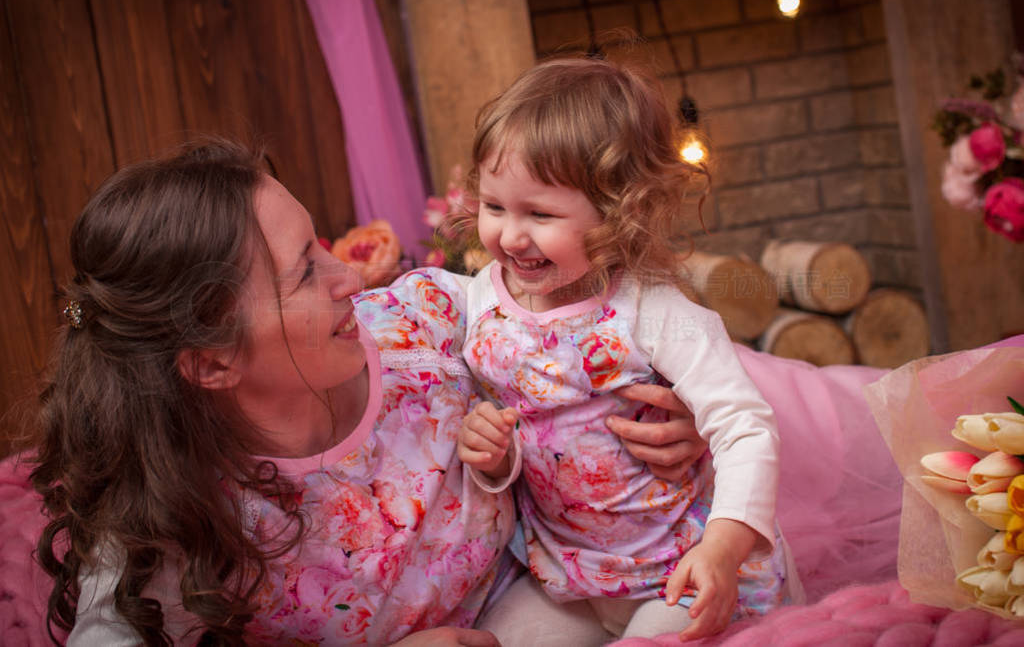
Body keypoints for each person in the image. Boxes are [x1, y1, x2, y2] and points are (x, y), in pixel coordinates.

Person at [30, 140, 706, 645]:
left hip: (546, 594)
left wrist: (672, 406)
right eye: (303, 274)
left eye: (320, 244)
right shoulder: (170, 502)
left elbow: (605, 322)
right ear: (212, 363)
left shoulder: (430, 322)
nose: (350, 277)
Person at [454, 55, 791, 645]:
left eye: (540, 213)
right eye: (494, 206)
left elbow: (744, 427)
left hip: (679, 569)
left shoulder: (652, 311)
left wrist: (722, 548)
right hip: (567, 576)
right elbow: (530, 443)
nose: (509, 235)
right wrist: (494, 458)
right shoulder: (483, 300)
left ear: (619, 212)